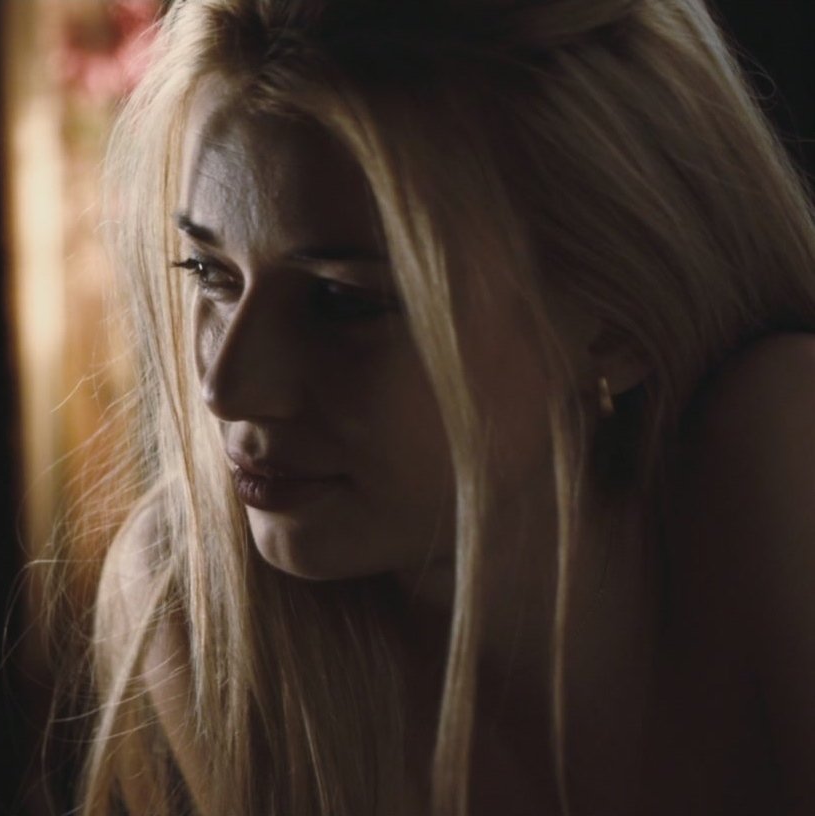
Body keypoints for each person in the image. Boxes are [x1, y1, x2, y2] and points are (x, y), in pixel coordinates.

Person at [59, 0, 815, 813]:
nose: (227, 387)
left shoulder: (778, 456)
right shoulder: (198, 596)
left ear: (613, 326)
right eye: (210, 273)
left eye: (344, 302)